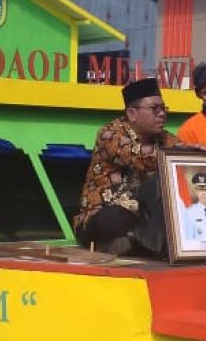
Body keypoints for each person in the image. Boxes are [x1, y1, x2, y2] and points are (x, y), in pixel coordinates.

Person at [73, 78, 182, 256]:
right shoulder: (110, 134)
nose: (162, 114)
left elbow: (181, 156)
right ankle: (134, 242)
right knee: (113, 218)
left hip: (142, 215)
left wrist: (194, 152)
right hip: (105, 215)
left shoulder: (166, 138)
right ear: (132, 113)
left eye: (164, 108)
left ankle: (134, 242)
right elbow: (140, 157)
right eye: (155, 109)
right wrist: (177, 153)